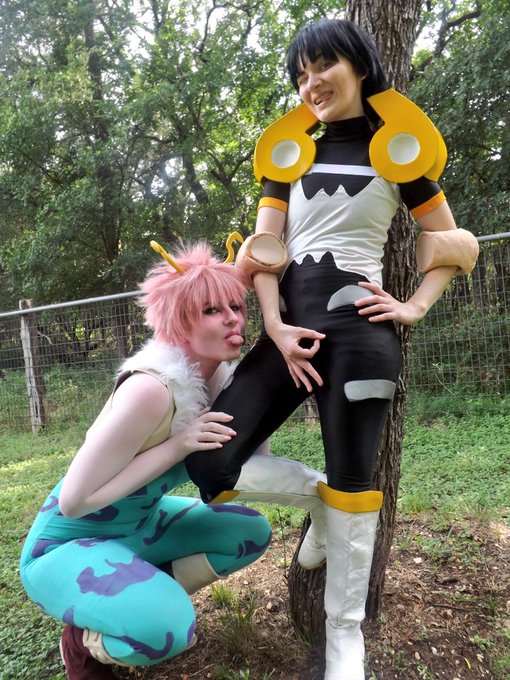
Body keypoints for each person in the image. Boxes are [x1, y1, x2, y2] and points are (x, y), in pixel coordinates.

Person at [185, 18, 479, 680]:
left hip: (362, 339)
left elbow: (450, 243)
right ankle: (320, 500)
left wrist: (413, 306)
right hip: (287, 334)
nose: (311, 83)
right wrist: (274, 327)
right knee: (209, 461)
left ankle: (346, 637)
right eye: (300, 75)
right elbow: (265, 252)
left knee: (356, 481)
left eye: (323, 66)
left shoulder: (397, 151)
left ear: (359, 66)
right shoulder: (288, 156)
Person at [19, 242, 272, 680]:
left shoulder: (218, 380)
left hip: (141, 525)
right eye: (212, 310)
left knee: (248, 533)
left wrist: (258, 395)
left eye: (236, 306)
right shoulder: (151, 389)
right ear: (180, 322)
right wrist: (178, 446)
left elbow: (252, 463)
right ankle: (81, 643)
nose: (233, 318)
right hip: (68, 543)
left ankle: (135, 595)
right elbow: (74, 502)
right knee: (168, 631)